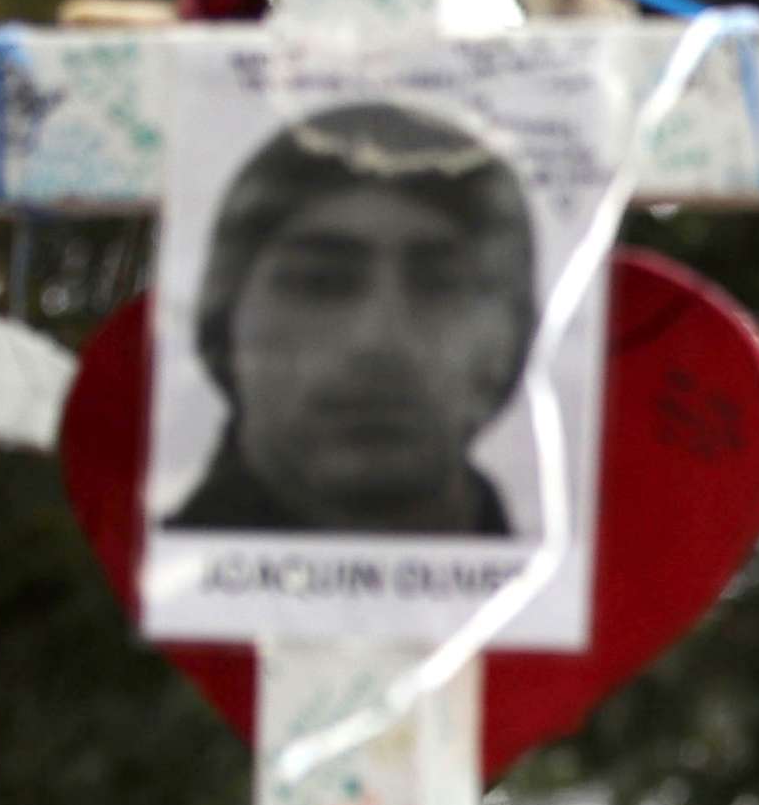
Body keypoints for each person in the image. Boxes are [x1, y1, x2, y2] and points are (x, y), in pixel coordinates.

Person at [168, 102, 538, 537]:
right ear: (225, 323)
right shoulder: (127, 590)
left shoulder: (572, 585)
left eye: (442, 285)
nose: (379, 341)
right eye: (319, 282)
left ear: (515, 333)